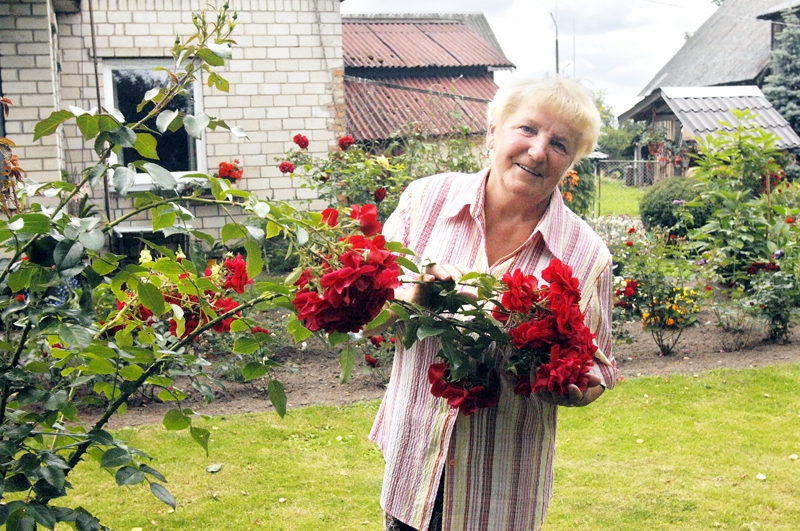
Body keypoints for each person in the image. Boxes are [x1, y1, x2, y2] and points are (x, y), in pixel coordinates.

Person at [369, 77, 618, 531]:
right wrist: (414, 297)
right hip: (414, 467)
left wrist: (574, 388)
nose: (539, 151)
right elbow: (370, 308)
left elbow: (597, 364)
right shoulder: (424, 202)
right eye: (526, 129)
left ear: (572, 162)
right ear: (492, 132)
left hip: (502, 490)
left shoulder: (587, 255)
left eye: (559, 143)